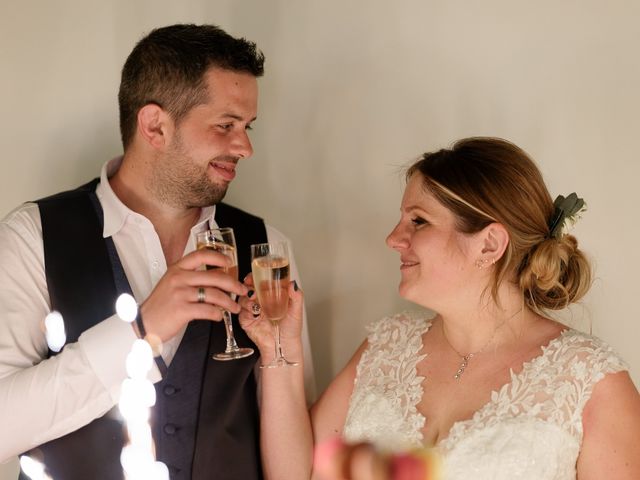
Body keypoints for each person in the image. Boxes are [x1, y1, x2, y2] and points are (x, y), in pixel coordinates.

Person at [0, 24, 315, 480]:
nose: (245, 147)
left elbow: (293, 467)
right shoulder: (34, 237)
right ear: (155, 125)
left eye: (247, 127)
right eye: (225, 125)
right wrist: (141, 329)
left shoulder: (268, 249)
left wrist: (278, 355)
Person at [239, 137, 640, 479]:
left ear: (488, 245)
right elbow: (297, 473)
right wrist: (279, 347)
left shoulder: (589, 379)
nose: (393, 238)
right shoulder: (386, 347)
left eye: (418, 221)